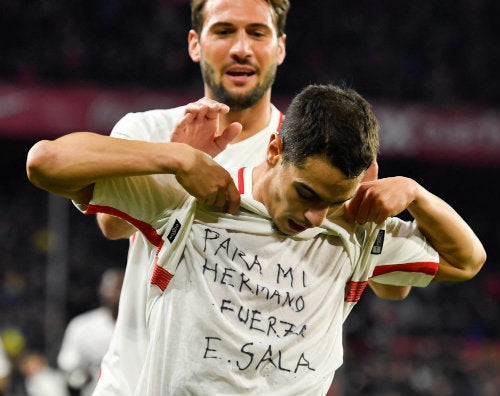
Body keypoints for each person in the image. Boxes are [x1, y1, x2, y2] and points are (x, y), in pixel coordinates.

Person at [26, 0, 407, 393]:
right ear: (195, 44)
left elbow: (393, 285)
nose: (241, 47)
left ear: (280, 47)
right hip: (137, 382)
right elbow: (110, 222)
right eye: (224, 31)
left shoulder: (312, 160)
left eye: (257, 33)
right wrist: (176, 159)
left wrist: (411, 194)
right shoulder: (151, 129)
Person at [26, 83, 486, 395]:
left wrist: (417, 195)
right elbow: (46, 162)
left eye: (332, 199)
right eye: (306, 193)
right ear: (275, 150)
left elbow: (467, 261)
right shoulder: (198, 195)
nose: (314, 216)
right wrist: (176, 158)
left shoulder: (354, 230)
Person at [57, 268, 124, 396]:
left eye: (121, 288)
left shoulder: (146, 326)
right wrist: (82, 377)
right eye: (112, 288)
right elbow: (68, 369)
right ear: (102, 291)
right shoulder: (83, 326)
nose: (117, 294)